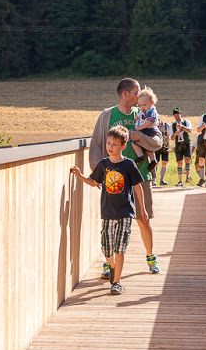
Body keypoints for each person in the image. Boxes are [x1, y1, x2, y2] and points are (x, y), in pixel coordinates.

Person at [90, 78, 161, 278]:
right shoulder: (107, 116)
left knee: (143, 219)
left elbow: (158, 141)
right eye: (136, 92)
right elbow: (96, 144)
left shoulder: (145, 112)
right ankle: (108, 263)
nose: (140, 96)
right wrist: (97, 171)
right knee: (110, 222)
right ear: (125, 94)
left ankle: (150, 257)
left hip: (141, 175)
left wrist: (141, 138)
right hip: (113, 177)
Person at [71, 126, 145, 295]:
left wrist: (143, 208)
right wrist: (79, 175)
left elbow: (137, 187)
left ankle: (117, 282)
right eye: (109, 143)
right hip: (107, 212)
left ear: (123, 146)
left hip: (125, 212)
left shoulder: (128, 164)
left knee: (120, 247)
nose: (110, 146)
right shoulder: (103, 164)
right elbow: (93, 182)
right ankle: (111, 266)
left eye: (115, 144)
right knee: (107, 247)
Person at [131, 87, 160, 171]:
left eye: (145, 104)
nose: (142, 107)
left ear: (152, 103)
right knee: (147, 146)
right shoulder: (143, 111)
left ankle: (140, 156)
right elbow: (140, 115)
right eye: (140, 105)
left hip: (149, 130)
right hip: (146, 130)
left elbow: (150, 123)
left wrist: (140, 127)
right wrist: (137, 117)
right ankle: (153, 160)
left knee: (134, 142)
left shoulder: (151, 112)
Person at [170, 107, 193, 186]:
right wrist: (175, 134)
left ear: (180, 114)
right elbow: (172, 138)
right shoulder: (172, 126)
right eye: (175, 115)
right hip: (178, 145)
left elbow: (190, 130)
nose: (177, 116)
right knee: (179, 162)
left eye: (178, 115)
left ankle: (188, 176)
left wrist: (182, 127)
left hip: (186, 143)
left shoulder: (186, 122)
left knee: (187, 159)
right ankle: (180, 181)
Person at [155, 117, 172, 185]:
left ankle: (162, 180)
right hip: (157, 147)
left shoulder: (166, 125)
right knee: (156, 164)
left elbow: (170, 134)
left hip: (165, 146)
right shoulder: (154, 126)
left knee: (164, 163)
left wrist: (169, 137)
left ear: (159, 120)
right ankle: (154, 180)